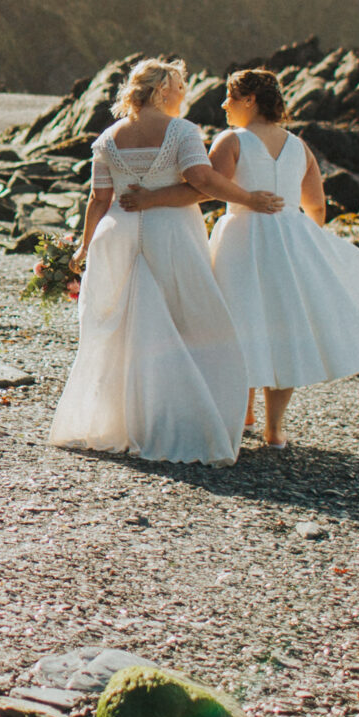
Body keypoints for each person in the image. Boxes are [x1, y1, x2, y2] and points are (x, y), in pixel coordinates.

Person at [48, 57, 287, 465]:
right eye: (180, 86)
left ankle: (121, 423)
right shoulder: (182, 131)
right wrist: (250, 199)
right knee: (190, 322)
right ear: (161, 91)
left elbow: (98, 199)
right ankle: (178, 421)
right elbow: (203, 180)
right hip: (171, 233)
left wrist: (85, 247)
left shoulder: (108, 136)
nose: (185, 92)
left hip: (115, 234)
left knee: (118, 328)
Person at [203, 67, 359, 445]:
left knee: (240, 319)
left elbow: (210, 187)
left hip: (242, 235)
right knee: (282, 326)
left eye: (230, 96)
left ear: (250, 100)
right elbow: (317, 206)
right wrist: (303, 240)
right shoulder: (298, 146)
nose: (224, 104)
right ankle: (274, 429)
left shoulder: (231, 140)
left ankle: (243, 415)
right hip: (289, 237)